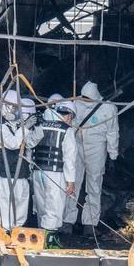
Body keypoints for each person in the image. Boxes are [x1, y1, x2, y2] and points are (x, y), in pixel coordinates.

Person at [71, 81, 119, 234]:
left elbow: (112, 132)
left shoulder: (108, 108)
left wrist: (113, 152)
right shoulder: (75, 103)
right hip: (76, 146)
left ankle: (90, 224)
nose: (84, 100)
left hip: (97, 148)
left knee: (94, 185)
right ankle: (66, 221)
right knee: (72, 183)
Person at [0, 90, 37, 230]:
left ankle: (16, 233)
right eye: (14, 108)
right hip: (4, 175)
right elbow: (13, 144)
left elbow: (31, 144)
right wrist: (24, 128)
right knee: (5, 207)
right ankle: (4, 234)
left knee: (20, 205)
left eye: (17, 108)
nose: (16, 111)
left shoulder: (18, 127)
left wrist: (33, 127)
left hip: (20, 174)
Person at [32, 97, 82, 239]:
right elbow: (69, 158)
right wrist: (71, 181)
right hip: (56, 174)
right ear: (69, 115)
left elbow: (30, 144)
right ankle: (49, 240)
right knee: (54, 207)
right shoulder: (67, 131)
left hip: (38, 171)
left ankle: (40, 238)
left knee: (41, 206)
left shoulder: (41, 125)